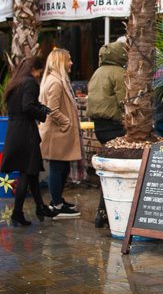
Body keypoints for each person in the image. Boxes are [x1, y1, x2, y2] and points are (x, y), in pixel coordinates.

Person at [1, 57, 58, 225]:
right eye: (40, 71)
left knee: (31, 171)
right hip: (26, 133)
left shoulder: (15, 82)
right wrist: (43, 113)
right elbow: (27, 106)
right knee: (27, 171)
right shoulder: (30, 83)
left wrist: (39, 106)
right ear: (34, 69)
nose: (41, 74)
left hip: (14, 132)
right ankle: (17, 212)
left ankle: (40, 206)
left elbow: (23, 104)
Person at [87, 37, 127, 228]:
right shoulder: (118, 73)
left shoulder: (97, 72)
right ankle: (106, 212)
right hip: (115, 126)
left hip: (99, 127)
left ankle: (101, 212)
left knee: (107, 168)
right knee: (115, 170)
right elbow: (125, 101)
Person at [39, 49, 82, 218]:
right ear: (59, 62)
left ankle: (58, 200)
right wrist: (67, 123)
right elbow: (52, 110)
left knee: (61, 168)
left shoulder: (55, 80)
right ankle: (57, 205)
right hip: (57, 134)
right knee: (58, 168)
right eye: (68, 60)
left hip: (58, 133)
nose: (71, 63)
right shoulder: (56, 82)